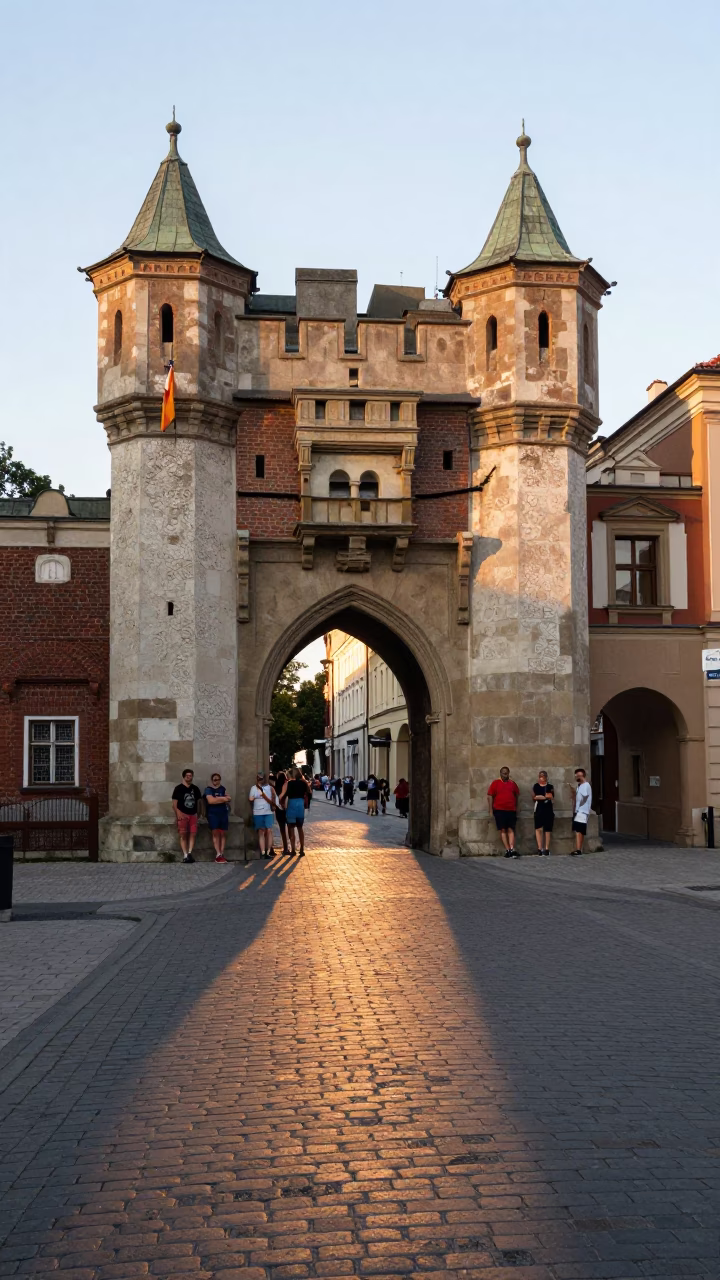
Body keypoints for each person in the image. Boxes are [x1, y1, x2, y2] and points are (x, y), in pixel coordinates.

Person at [487, 766, 520, 857]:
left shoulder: (512, 783)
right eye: (503, 773)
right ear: (500, 773)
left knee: (511, 829)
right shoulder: (495, 783)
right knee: (503, 829)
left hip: (511, 810)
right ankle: (507, 849)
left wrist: (517, 807)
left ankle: (512, 848)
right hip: (499, 810)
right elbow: (490, 796)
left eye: (507, 773)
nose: (505, 775)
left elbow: (516, 795)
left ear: (509, 773)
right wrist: (490, 810)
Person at [172, 768, 203, 863]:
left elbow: (199, 802)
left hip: (193, 814)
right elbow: (174, 803)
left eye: (190, 776)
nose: (189, 777)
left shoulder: (195, 788)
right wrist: (178, 813)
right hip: (183, 814)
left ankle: (189, 853)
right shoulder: (178, 788)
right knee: (183, 835)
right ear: (184, 776)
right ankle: (185, 855)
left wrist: (199, 813)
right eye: (187, 776)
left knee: (193, 834)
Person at [279, 766, 309, 856]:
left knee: (291, 828)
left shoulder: (289, 783)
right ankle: (302, 849)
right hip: (300, 806)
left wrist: (279, 800)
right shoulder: (304, 783)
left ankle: (293, 850)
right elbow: (309, 792)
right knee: (300, 828)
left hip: (292, 805)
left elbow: (282, 795)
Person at [203, 772, 231, 863]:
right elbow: (211, 801)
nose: (216, 781)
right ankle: (218, 854)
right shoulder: (208, 789)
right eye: (214, 779)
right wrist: (223, 799)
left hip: (223, 813)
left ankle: (222, 853)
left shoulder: (223, 789)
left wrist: (218, 799)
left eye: (218, 779)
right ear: (212, 780)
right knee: (215, 833)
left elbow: (229, 798)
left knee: (222, 833)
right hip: (213, 814)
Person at [249, 770, 276, 859]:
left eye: (261, 778)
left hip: (268, 811)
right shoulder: (254, 788)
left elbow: (274, 798)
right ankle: (263, 852)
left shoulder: (270, 787)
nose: (260, 779)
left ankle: (268, 851)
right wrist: (258, 795)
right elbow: (250, 798)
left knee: (269, 830)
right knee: (261, 831)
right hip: (258, 812)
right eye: (258, 778)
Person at [570, 767, 593, 855]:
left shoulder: (586, 785)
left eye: (577, 775)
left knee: (579, 830)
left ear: (581, 775)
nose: (576, 777)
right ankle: (579, 849)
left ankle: (578, 849)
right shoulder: (579, 786)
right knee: (579, 830)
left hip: (582, 811)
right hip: (578, 810)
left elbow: (584, 798)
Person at [532, 770, 554, 856]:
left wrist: (542, 797)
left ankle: (547, 848)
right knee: (538, 828)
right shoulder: (536, 786)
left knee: (547, 829)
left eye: (543, 776)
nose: (541, 777)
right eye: (540, 776)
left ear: (546, 777)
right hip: (539, 809)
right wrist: (544, 797)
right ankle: (539, 848)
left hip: (548, 809)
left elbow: (550, 796)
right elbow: (534, 797)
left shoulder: (550, 786)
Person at [274, 769, 290, 854]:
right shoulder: (287, 786)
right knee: (290, 828)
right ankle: (292, 847)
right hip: (287, 809)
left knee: (282, 830)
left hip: (279, 810)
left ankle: (285, 848)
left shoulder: (275, 787)